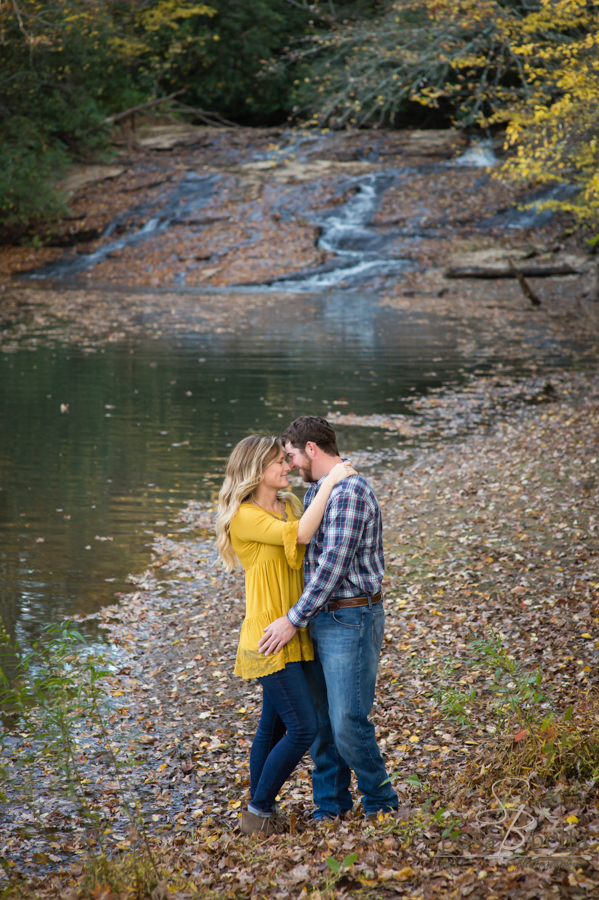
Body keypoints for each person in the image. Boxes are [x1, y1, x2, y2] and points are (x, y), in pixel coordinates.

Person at [258, 416, 399, 821]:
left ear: (312, 449)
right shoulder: (321, 489)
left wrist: (292, 619)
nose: (290, 465)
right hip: (323, 618)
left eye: (291, 456)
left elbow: (332, 566)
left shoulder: (350, 491)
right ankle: (331, 806)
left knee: (348, 722)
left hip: (350, 619)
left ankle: (381, 803)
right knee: (320, 724)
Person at [216, 434, 356, 835]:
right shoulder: (244, 515)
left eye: (286, 459)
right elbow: (301, 535)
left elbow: (311, 529)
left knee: (273, 725)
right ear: (258, 470)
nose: (287, 467)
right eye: (279, 462)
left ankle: (257, 811)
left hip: (294, 627)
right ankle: (259, 811)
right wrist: (332, 481)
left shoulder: (290, 504)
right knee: (303, 727)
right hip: (267, 636)